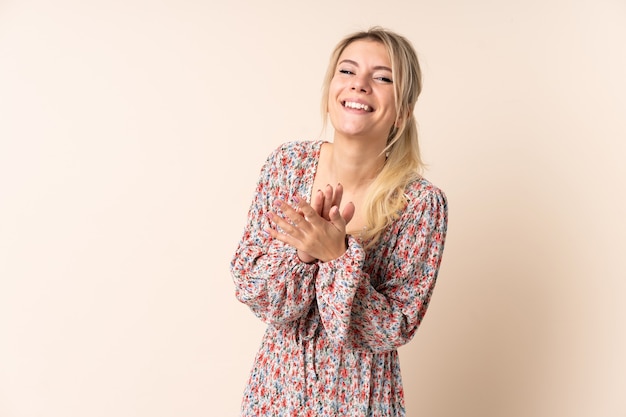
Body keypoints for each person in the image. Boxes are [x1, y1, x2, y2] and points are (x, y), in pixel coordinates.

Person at [230, 26, 448, 417]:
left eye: (383, 77)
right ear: (331, 89)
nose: (360, 85)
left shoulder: (420, 204)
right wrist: (303, 257)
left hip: (360, 401)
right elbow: (252, 288)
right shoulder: (287, 165)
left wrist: (337, 257)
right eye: (347, 71)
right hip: (276, 394)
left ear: (404, 109)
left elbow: (392, 328)